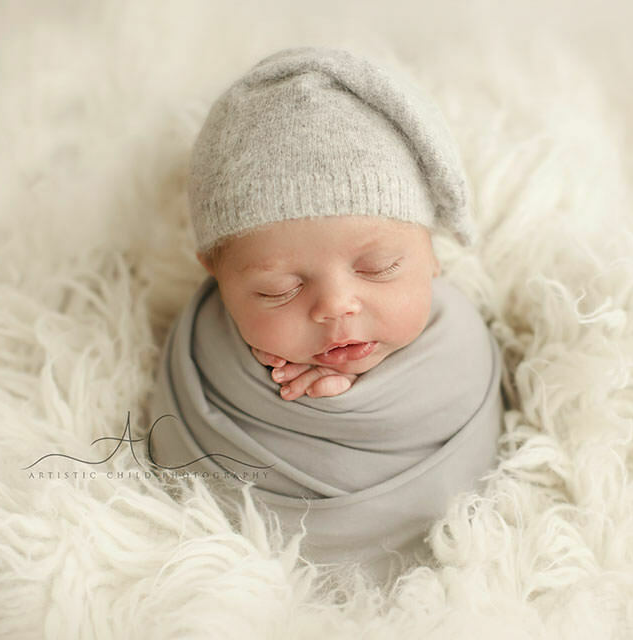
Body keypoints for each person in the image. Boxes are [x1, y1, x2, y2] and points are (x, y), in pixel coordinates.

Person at [146, 46, 504, 585]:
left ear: (430, 252)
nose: (337, 306)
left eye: (380, 267)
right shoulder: (200, 368)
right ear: (216, 278)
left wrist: (368, 400)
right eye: (278, 290)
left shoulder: (464, 356)